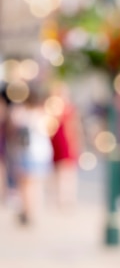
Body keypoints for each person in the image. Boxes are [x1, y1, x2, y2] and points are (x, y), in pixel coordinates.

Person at [10, 87, 54, 226]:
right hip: (40, 153)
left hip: (28, 153)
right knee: (34, 185)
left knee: (26, 184)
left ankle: (27, 210)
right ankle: (30, 209)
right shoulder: (43, 115)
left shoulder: (23, 114)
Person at [49, 82, 82, 209]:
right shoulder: (53, 108)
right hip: (56, 142)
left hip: (67, 142)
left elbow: (74, 127)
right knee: (57, 171)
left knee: (68, 172)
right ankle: (59, 197)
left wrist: (76, 142)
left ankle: (67, 198)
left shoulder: (70, 109)